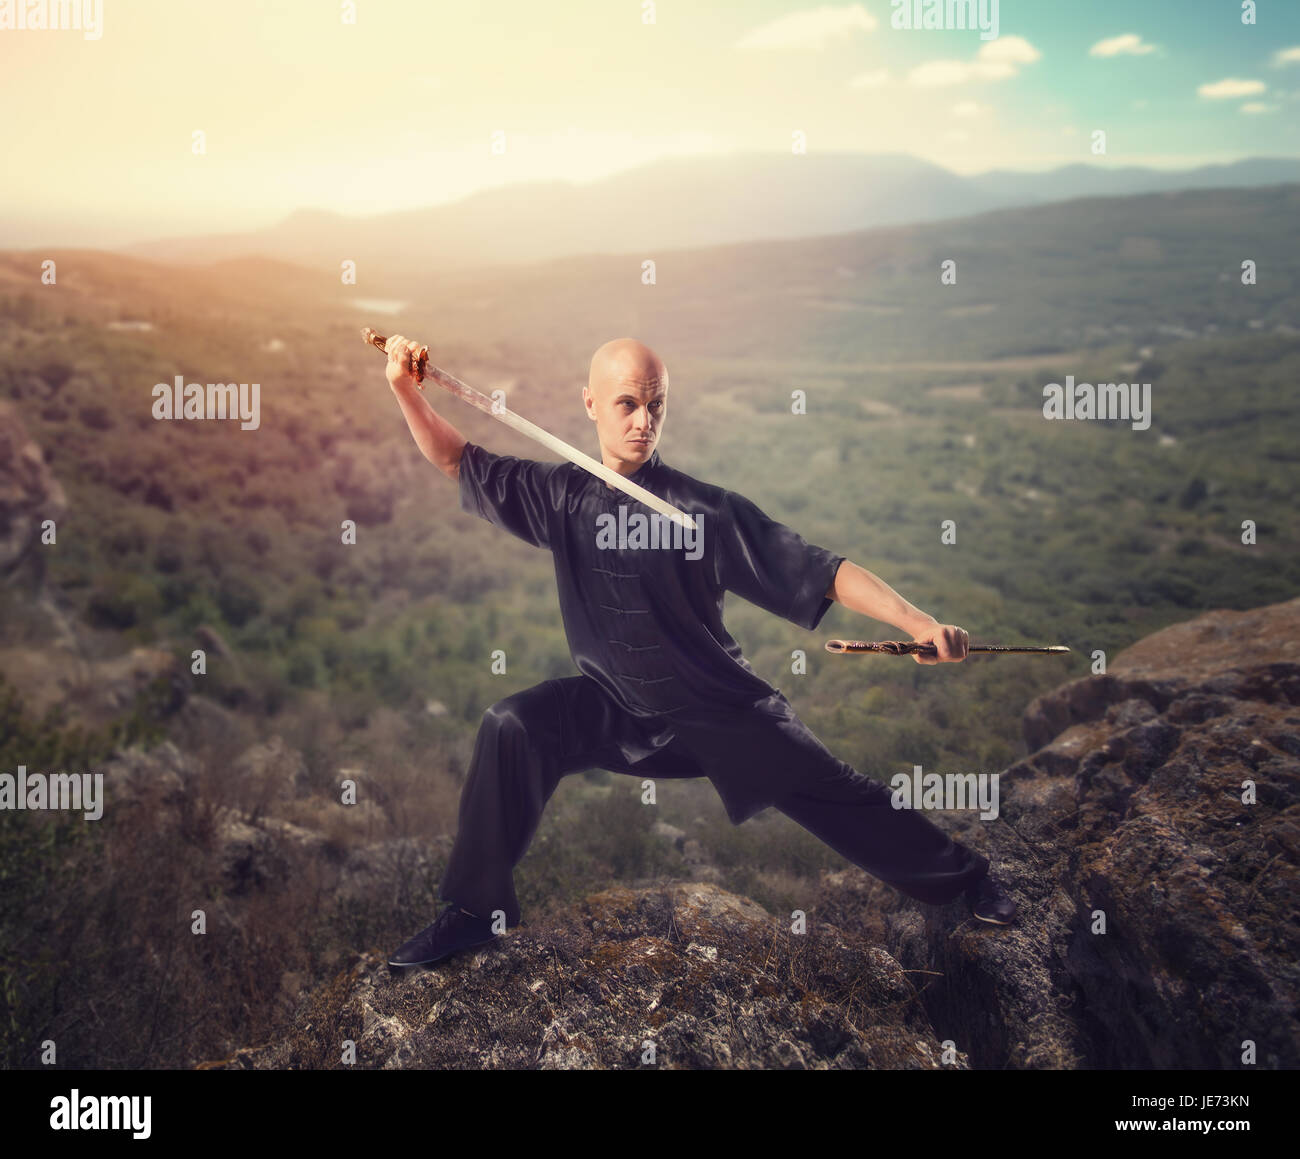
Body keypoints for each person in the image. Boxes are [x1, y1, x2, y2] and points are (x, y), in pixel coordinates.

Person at [382, 334, 1017, 968]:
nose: (643, 421)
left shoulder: (701, 513)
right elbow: (456, 461)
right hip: (615, 706)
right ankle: (474, 913)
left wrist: (917, 621)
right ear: (590, 404)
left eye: (656, 406)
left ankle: (966, 879)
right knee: (510, 725)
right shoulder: (560, 497)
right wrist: (404, 389)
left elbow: (822, 570)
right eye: (626, 404)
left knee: (838, 793)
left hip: (717, 710)